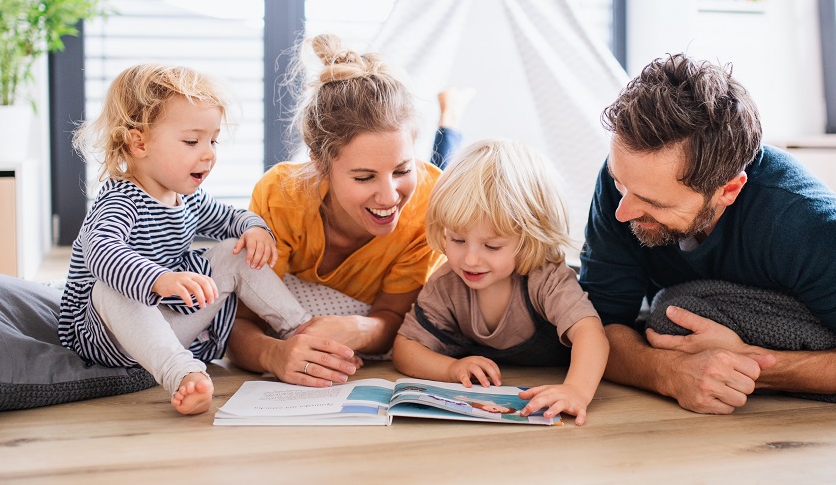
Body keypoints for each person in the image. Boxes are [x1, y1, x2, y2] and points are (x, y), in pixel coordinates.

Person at [578, 54, 836, 414]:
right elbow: (596, 326)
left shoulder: (803, 223)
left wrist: (751, 366)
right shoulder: (628, 181)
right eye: (619, 182)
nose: (622, 211)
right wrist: (666, 373)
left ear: (729, 189)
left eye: (652, 202)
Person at [58, 64, 313, 415]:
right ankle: (183, 373)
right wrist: (159, 279)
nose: (208, 153)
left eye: (213, 140)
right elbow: (101, 253)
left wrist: (255, 229)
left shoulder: (187, 198)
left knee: (233, 250)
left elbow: (231, 218)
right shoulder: (120, 201)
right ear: (139, 142)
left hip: (167, 324)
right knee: (108, 288)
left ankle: (302, 328)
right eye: (192, 141)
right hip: (107, 335)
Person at [225, 34, 457, 387]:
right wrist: (273, 354)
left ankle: (452, 115)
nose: (389, 196)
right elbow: (238, 323)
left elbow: (396, 318)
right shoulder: (281, 195)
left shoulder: (427, 204)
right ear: (320, 164)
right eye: (364, 177)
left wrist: (361, 328)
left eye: (402, 170)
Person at [393, 139, 608, 425]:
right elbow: (405, 348)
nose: (470, 259)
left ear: (529, 240)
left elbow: (591, 334)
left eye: (491, 246)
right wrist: (451, 368)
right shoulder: (446, 283)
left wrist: (575, 390)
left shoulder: (545, 278)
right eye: (457, 239)